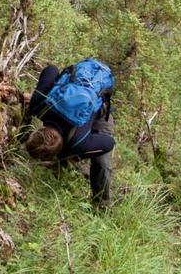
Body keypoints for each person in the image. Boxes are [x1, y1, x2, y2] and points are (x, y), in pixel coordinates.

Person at [24, 63, 115, 206]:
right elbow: (52, 69)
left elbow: (109, 143)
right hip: (85, 80)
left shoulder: (79, 142)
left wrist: (78, 153)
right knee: (77, 145)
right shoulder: (39, 105)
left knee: (101, 162)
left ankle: (102, 204)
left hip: (100, 112)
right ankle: (61, 164)